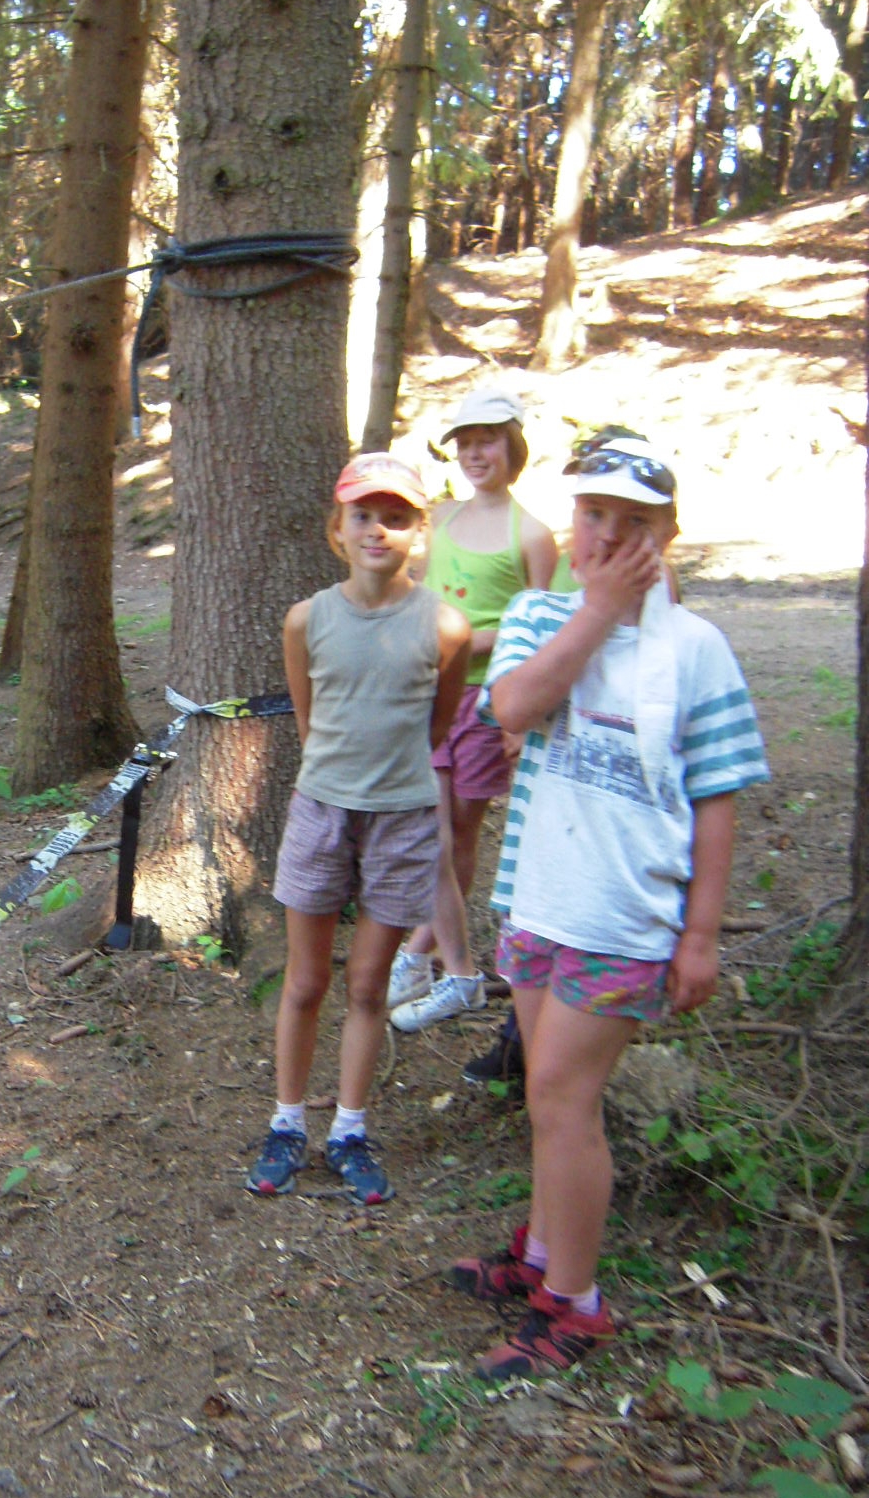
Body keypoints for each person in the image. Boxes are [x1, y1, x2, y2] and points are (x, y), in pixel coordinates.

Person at [449, 432, 768, 1377]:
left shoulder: (697, 650)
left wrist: (699, 935)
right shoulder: (540, 614)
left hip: (626, 919)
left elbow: (718, 795)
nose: (610, 535)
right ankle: (544, 1253)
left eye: (635, 522)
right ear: (572, 522)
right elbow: (511, 708)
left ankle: (576, 1306)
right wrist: (594, 615)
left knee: (562, 1094)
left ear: (666, 537)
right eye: (594, 514)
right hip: (541, 899)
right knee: (545, 1097)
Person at [247, 454, 471, 1206]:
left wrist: (390, 780)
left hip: (403, 820)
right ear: (337, 530)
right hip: (322, 811)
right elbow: (308, 720)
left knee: (369, 984)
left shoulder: (445, 626)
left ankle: (349, 1129)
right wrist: (341, 779)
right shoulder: (307, 619)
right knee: (306, 980)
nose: (378, 529)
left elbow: (436, 725)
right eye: (363, 515)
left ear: (419, 532)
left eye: (396, 517)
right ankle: (286, 1123)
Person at [388, 386, 557, 1034]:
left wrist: (475, 648)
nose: (476, 454)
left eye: (488, 442)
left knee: (460, 833)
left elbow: (540, 625)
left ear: (513, 448)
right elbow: (422, 595)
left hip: (489, 702)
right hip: (433, 692)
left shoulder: (532, 534)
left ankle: (422, 955)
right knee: (433, 831)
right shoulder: (443, 518)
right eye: (465, 443)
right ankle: (428, 959)